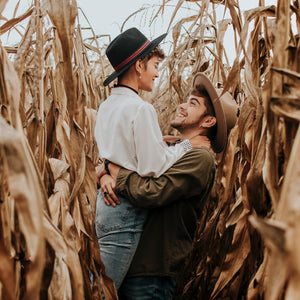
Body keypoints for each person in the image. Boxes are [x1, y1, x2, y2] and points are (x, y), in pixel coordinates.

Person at [100, 72, 238, 299]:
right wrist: (105, 173)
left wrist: (111, 168)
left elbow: (150, 193)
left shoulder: (201, 159)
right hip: (129, 263)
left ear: (208, 121)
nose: (182, 106)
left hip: (150, 274)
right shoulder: (171, 148)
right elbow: (116, 157)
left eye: (192, 103)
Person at [94, 28, 204, 290]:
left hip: (104, 202)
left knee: (100, 283)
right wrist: (189, 144)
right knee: (104, 291)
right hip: (125, 208)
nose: (157, 73)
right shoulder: (141, 108)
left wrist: (105, 171)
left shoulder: (106, 106)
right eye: (155, 65)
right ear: (139, 65)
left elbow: (111, 154)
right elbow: (153, 167)